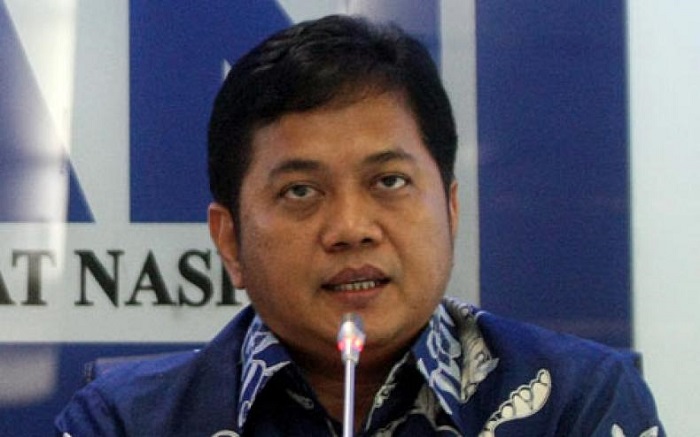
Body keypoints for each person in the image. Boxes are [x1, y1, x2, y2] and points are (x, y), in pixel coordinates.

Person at [55, 14, 664, 436]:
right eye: (300, 191)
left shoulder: (575, 401)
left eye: (389, 182)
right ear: (230, 241)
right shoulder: (126, 421)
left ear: (450, 209)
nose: (350, 227)